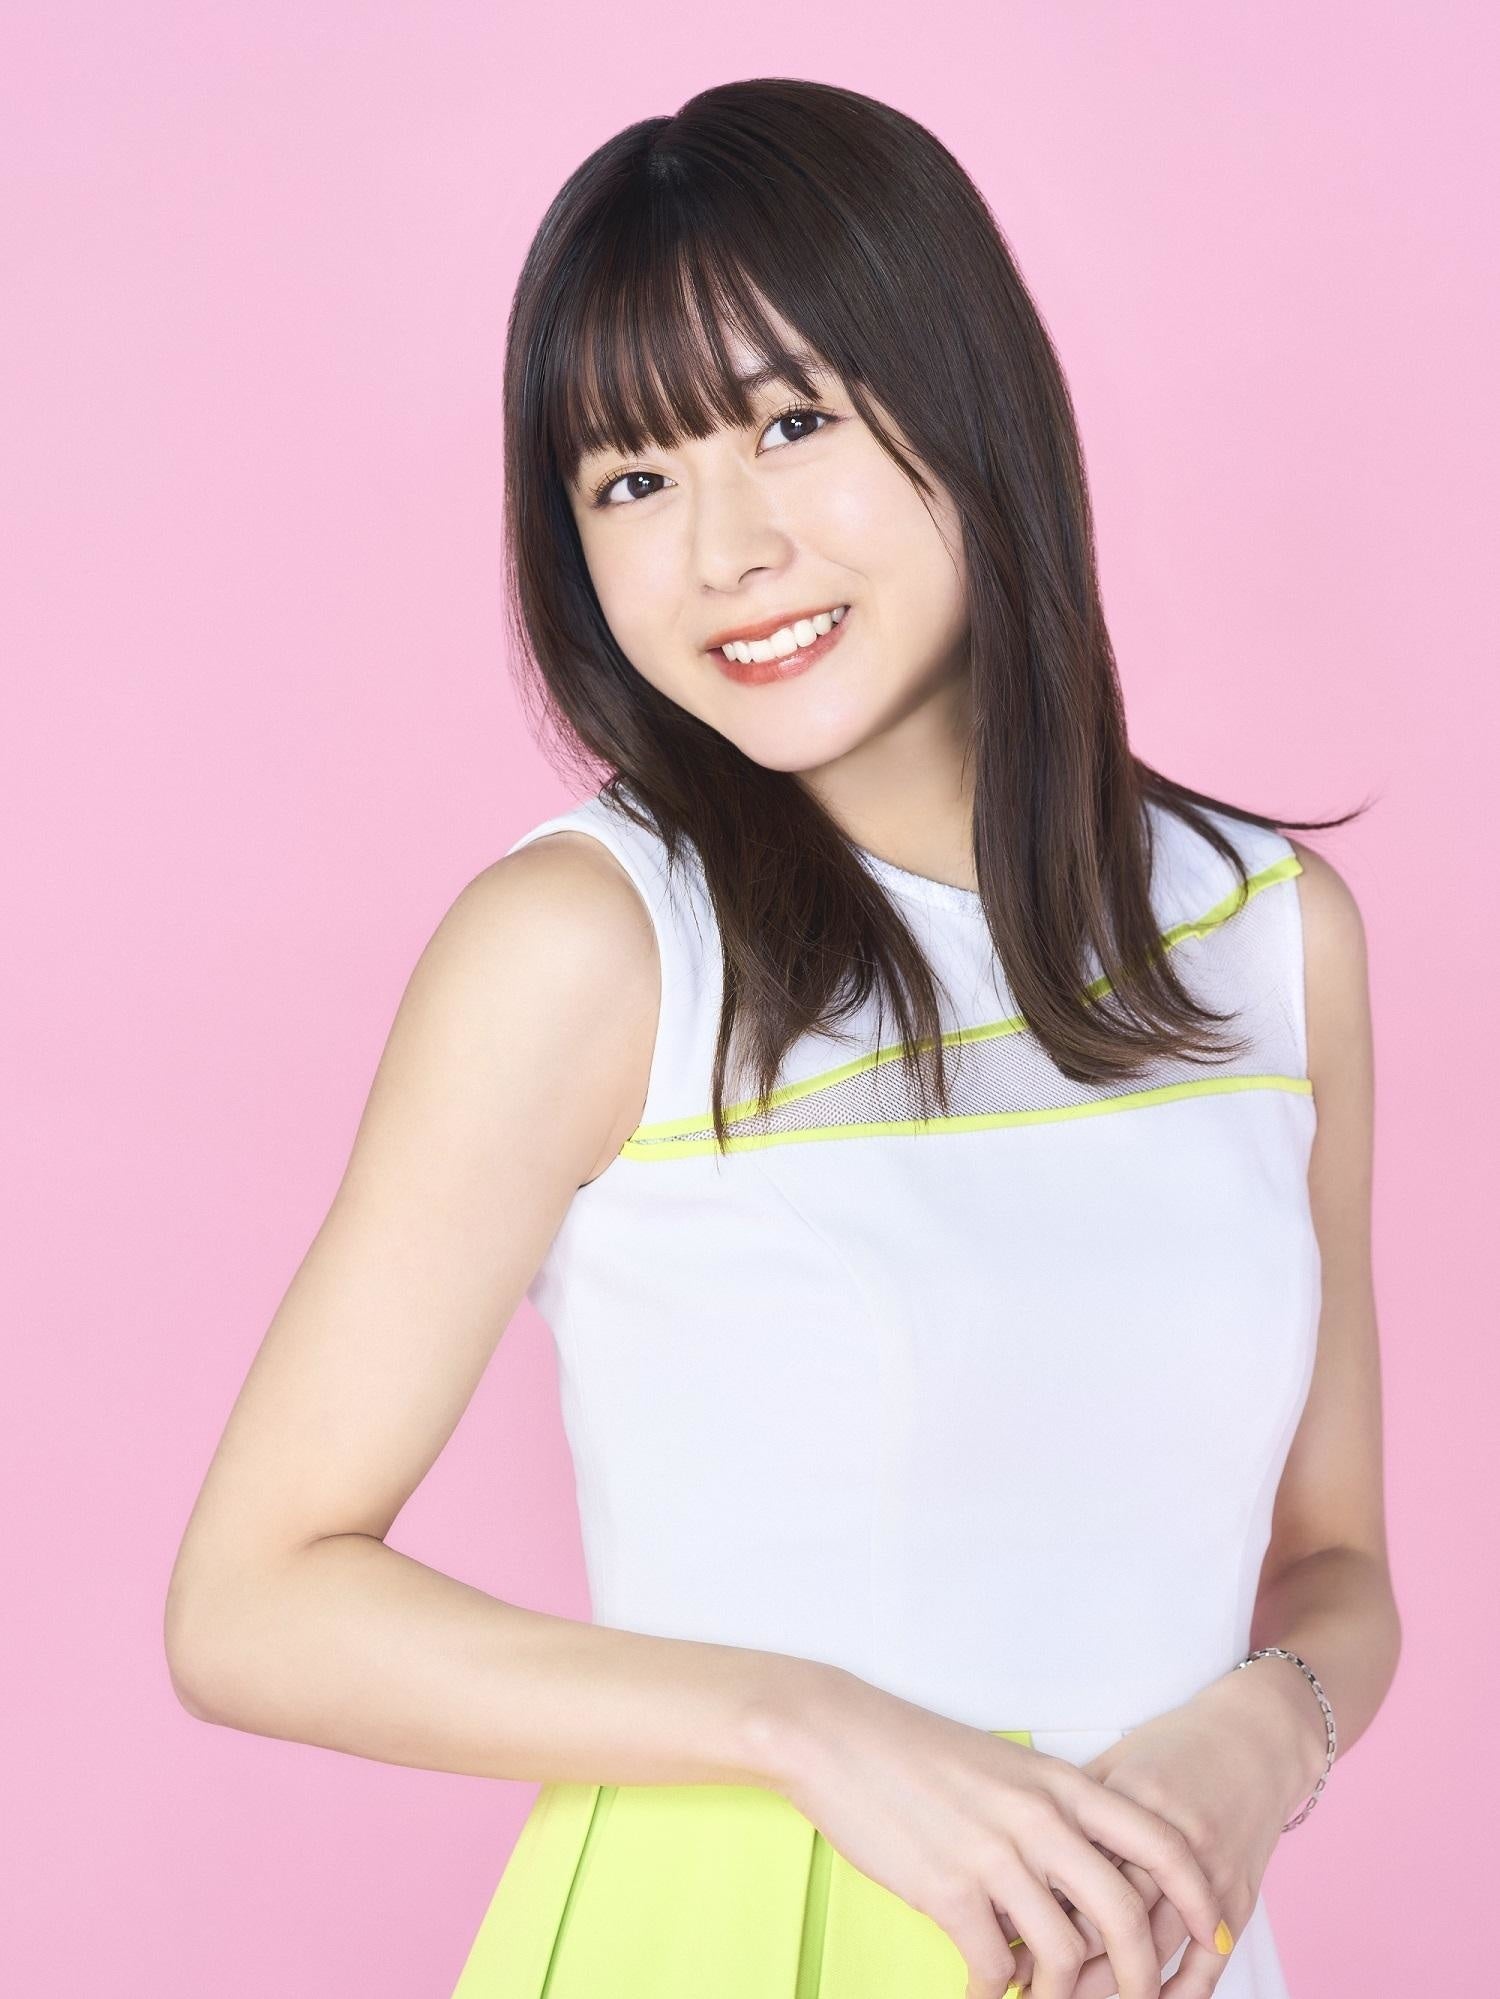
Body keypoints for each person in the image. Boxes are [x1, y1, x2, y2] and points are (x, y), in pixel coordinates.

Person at [163, 78, 1399, 1999]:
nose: (724, 550)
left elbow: (1338, 1565)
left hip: (1166, 1945)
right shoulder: (592, 946)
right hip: (730, 1939)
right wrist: (796, 1723)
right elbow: (249, 1605)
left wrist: (1270, 1734)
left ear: (971, 401)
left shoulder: (1266, 938)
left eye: (793, 423)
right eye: (630, 482)